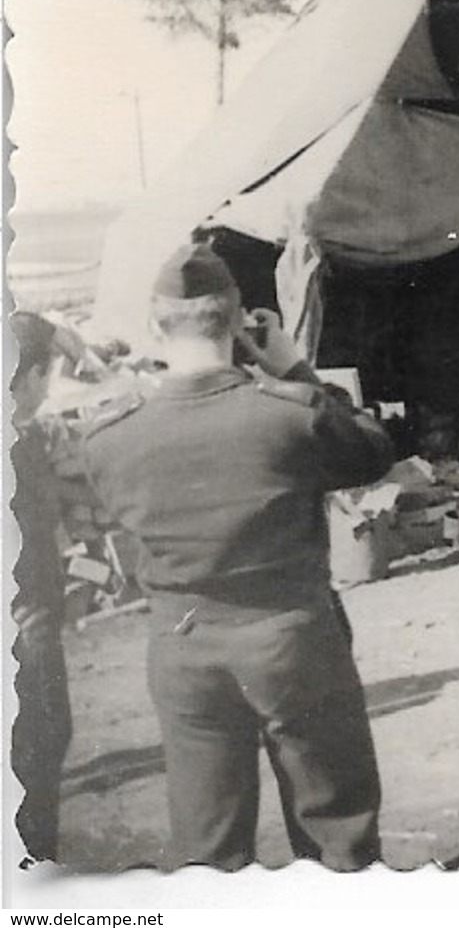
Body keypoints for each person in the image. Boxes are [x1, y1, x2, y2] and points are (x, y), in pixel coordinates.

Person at [81, 244, 394, 870]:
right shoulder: (287, 415)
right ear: (234, 323)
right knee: (337, 831)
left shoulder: (111, 437)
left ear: (155, 327)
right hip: (291, 638)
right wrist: (293, 367)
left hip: (182, 645)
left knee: (209, 841)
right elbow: (371, 452)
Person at [10, 312, 73, 863]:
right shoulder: (19, 449)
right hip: (25, 628)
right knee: (38, 752)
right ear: (29, 376)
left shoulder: (23, 441)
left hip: (27, 616)